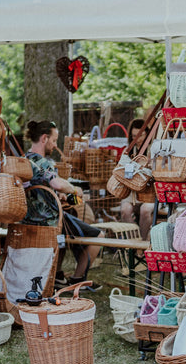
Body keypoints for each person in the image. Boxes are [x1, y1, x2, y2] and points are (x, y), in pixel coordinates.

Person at [24, 120, 103, 291]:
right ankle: (77, 280)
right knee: (99, 236)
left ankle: (58, 275)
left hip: (30, 220)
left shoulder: (24, 160)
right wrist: (76, 190)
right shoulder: (41, 162)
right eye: (54, 140)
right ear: (44, 138)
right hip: (48, 221)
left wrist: (65, 197)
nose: (55, 145)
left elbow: (49, 191)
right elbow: (58, 185)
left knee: (67, 227)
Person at [119, 117, 156, 239]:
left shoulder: (154, 149)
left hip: (149, 193)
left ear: (147, 135)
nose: (138, 139)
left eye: (141, 136)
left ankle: (143, 242)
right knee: (125, 210)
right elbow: (120, 170)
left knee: (145, 210)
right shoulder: (128, 150)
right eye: (134, 136)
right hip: (132, 193)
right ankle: (134, 241)